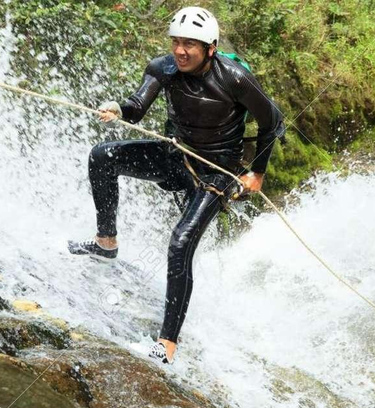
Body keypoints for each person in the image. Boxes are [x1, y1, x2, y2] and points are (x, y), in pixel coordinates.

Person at [68, 6, 285, 364]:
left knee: (181, 242)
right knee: (103, 155)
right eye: (177, 42)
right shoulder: (163, 68)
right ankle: (106, 242)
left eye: (190, 45)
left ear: (210, 48)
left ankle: (167, 343)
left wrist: (256, 173)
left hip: (216, 172)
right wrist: (119, 110)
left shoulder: (234, 78)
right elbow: (137, 107)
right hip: (176, 156)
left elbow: (272, 122)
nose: (181, 51)